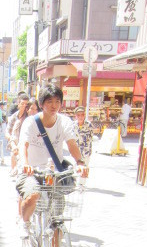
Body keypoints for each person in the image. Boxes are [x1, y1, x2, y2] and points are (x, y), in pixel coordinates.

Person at [17, 84, 88, 235]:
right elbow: (23, 145)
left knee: (57, 218)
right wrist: (25, 164)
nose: (54, 105)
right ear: (41, 104)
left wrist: (80, 162)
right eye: (49, 102)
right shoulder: (30, 123)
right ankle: (25, 222)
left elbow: (71, 144)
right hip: (32, 171)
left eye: (57, 101)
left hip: (55, 172)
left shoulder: (64, 122)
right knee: (32, 196)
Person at [6, 93, 31, 175]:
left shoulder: (29, 118)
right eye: (22, 104)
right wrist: (13, 144)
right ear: (18, 103)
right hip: (15, 147)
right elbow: (7, 132)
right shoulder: (14, 117)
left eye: (26, 104)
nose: (24, 106)